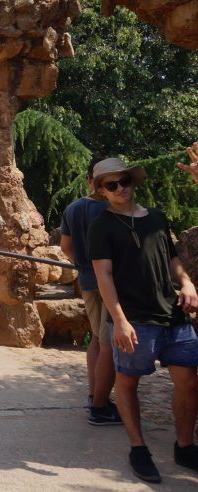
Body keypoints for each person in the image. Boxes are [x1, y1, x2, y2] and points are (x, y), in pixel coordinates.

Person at [89, 157, 198, 483]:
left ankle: (185, 446)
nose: (120, 188)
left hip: (172, 314)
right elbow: (103, 276)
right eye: (112, 184)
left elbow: (173, 259)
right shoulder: (102, 226)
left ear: (133, 182)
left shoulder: (156, 218)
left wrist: (188, 282)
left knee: (189, 379)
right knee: (128, 381)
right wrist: (119, 321)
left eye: (124, 181)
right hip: (133, 319)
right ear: (102, 191)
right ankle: (138, 448)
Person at [59, 154, 120, 426]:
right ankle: (100, 405)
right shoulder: (114, 208)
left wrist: (81, 265)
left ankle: (95, 393)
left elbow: (65, 247)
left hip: (86, 279)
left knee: (96, 337)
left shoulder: (73, 209)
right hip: (113, 282)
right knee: (110, 342)